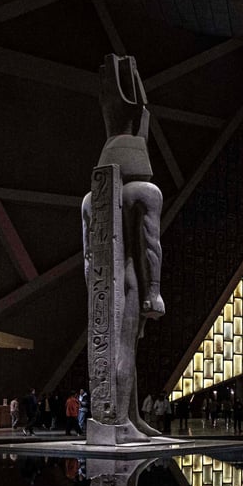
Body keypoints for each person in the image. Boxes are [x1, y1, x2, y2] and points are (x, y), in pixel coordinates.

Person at [80, 54, 165, 442]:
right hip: (129, 278)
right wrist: (153, 292)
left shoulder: (89, 200)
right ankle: (119, 419)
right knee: (125, 347)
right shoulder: (145, 192)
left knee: (118, 345)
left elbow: (87, 255)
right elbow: (150, 246)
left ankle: (128, 415)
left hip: (100, 281)